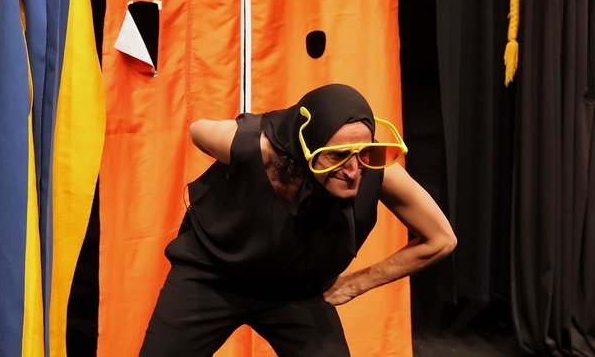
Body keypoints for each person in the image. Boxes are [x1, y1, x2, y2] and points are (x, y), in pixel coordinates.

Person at [139, 83, 456, 356]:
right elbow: (198, 129)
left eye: (363, 152)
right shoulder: (258, 151)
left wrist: (354, 285)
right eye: (337, 155)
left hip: (295, 290)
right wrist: (255, 145)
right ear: (309, 145)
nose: (352, 169)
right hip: (213, 277)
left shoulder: (376, 169)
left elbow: (441, 239)